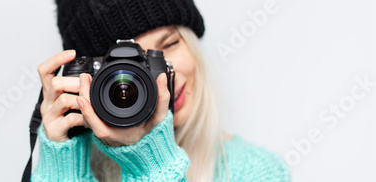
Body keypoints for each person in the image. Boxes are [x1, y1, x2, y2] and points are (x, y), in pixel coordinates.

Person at [31, 0, 291, 181]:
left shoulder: (258, 172)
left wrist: (150, 163)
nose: (162, 81)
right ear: (89, 79)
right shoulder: (69, 164)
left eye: (169, 44)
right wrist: (61, 162)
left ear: (192, 44)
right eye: (125, 66)